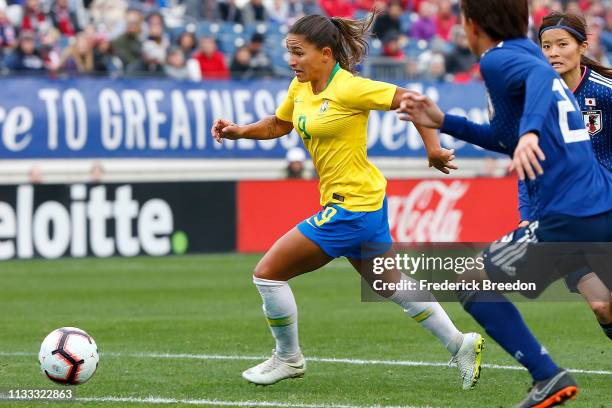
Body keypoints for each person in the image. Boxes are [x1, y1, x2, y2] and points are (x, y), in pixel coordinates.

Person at [212, 13, 484, 390]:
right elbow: (280, 124)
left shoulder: (350, 88)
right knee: (388, 284)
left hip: (350, 207)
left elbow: (415, 102)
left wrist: (433, 149)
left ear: (325, 53)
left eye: (297, 53)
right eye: (288, 52)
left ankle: (288, 358)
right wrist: (240, 130)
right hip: (365, 202)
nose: (291, 61)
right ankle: (460, 343)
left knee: (268, 274)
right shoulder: (301, 87)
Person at [396, 0, 612, 406]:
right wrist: (444, 122)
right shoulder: (526, 52)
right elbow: (504, 137)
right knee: (603, 303)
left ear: (472, 24)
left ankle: (547, 375)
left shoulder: (499, 60)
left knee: (471, 283)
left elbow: (537, 83)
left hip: (568, 215)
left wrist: (530, 132)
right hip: (596, 206)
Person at [525, 11, 612, 340]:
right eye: (546, 46)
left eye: (562, 44)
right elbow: (527, 164)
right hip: (564, 221)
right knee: (601, 306)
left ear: (583, 46)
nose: (553, 53)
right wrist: (527, 215)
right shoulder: (537, 100)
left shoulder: (605, 93)